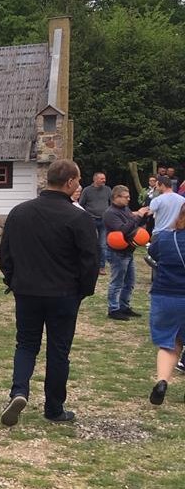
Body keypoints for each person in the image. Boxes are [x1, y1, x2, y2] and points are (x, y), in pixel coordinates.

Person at [0, 159, 98, 426]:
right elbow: (90, 259)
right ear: (69, 182)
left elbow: (5, 253)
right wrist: (84, 290)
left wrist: (13, 280)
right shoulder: (79, 217)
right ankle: (54, 407)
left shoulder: (19, 212)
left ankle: (19, 391)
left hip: (27, 290)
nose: (79, 184)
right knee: (58, 350)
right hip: (64, 292)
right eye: (78, 180)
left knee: (26, 344)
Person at [147, 202, 185, 405]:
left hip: (166, 295)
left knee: (169, 343)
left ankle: (162, 381)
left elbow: (153, 253)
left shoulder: (165, 238)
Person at [103, 185, 149, 320]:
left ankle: (124, 306)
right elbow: (123, 230)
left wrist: (143, 216)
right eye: (126, 197)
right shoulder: (110, 213)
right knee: (117, 282)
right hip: (117, 253)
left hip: (128, 251)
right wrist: (137, 215)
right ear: (116, 197)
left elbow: (134, 225)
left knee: (130, 282)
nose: (129, 199)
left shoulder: (125, 209)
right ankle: (113, 309)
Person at [79, 171, 112, 274]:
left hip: (104, 220)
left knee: (102, 245)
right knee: (91, 243)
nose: (104, 180)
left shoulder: (108, 190)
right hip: (91, 220)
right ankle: (91, 265)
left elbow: (112, 203)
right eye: (102, 179)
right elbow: (81, 204)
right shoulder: (87, 190)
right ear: (95, 179)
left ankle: (101, 267)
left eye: (104, 178)